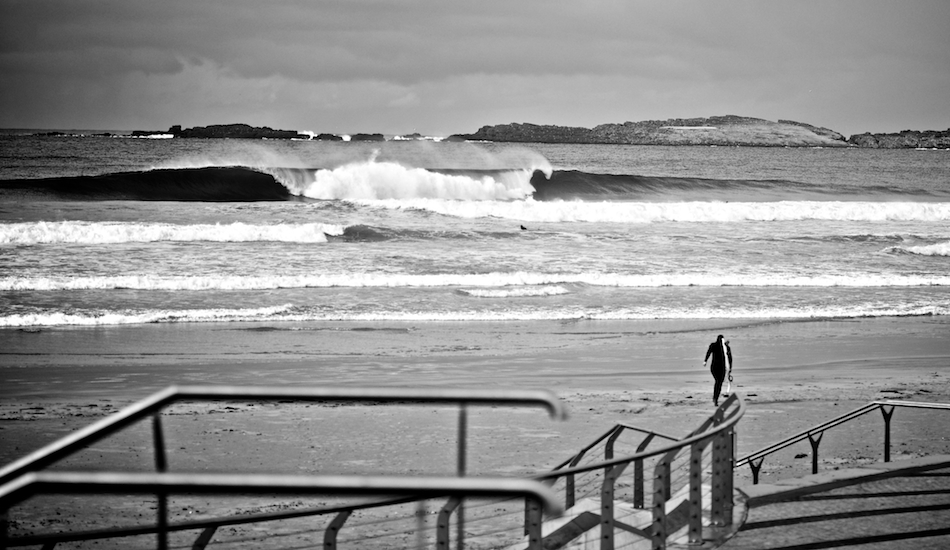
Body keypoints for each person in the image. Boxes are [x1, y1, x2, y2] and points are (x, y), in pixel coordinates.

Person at [703, 335, 733, 406]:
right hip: (721, 368)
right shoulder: (726, 348)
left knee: (718, 382)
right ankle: (715, 398)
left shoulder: (714, 345)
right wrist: (730, 368)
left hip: (714, 368)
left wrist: (705, 361)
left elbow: (709, 352)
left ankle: (715, 398)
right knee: (719, 383)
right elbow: (730, 359)